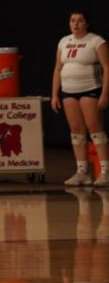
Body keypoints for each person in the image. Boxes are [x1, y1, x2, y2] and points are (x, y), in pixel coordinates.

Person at [51, 11, 109, 186]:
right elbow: (58, 69)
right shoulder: (64, 41)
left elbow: (107, 68)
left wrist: (105, 94)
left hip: (90, 89)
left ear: (87, 24)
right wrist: (55, 94)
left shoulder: (96, 41)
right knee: (76, 131)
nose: (75, 24)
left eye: (80, 21)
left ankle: (106, 172)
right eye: (72, 20)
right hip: (69, 91)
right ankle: (82, 172)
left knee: (95, 129)